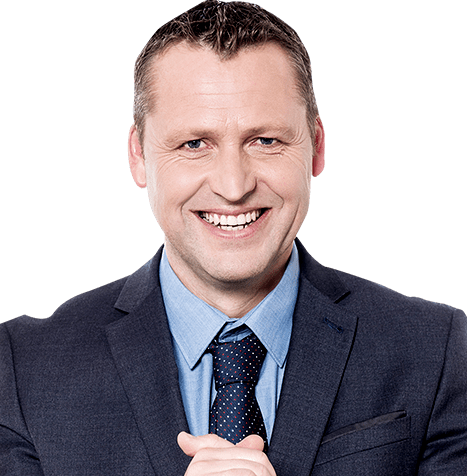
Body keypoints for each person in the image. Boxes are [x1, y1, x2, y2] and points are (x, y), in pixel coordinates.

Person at [1, 1, 466, 474]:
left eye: (265, 141)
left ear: (316, 147)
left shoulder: (439, 350)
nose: (233, 185)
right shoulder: (23, 367)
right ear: (138, 156)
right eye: (194, 144)